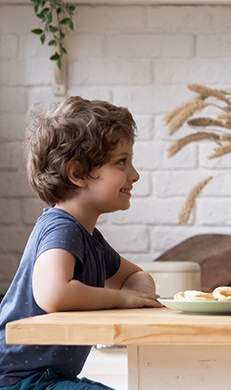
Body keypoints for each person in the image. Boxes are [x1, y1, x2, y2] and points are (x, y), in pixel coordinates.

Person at [0, 97, 162, 389]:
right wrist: (123, 299)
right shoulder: (61, 228)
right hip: (19, 381)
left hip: (46, 378)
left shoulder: (90, 239)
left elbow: (136, 276)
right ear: (77, 173)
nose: (134, 175)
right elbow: (54, 293)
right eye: (121, 162)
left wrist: (139, 297)